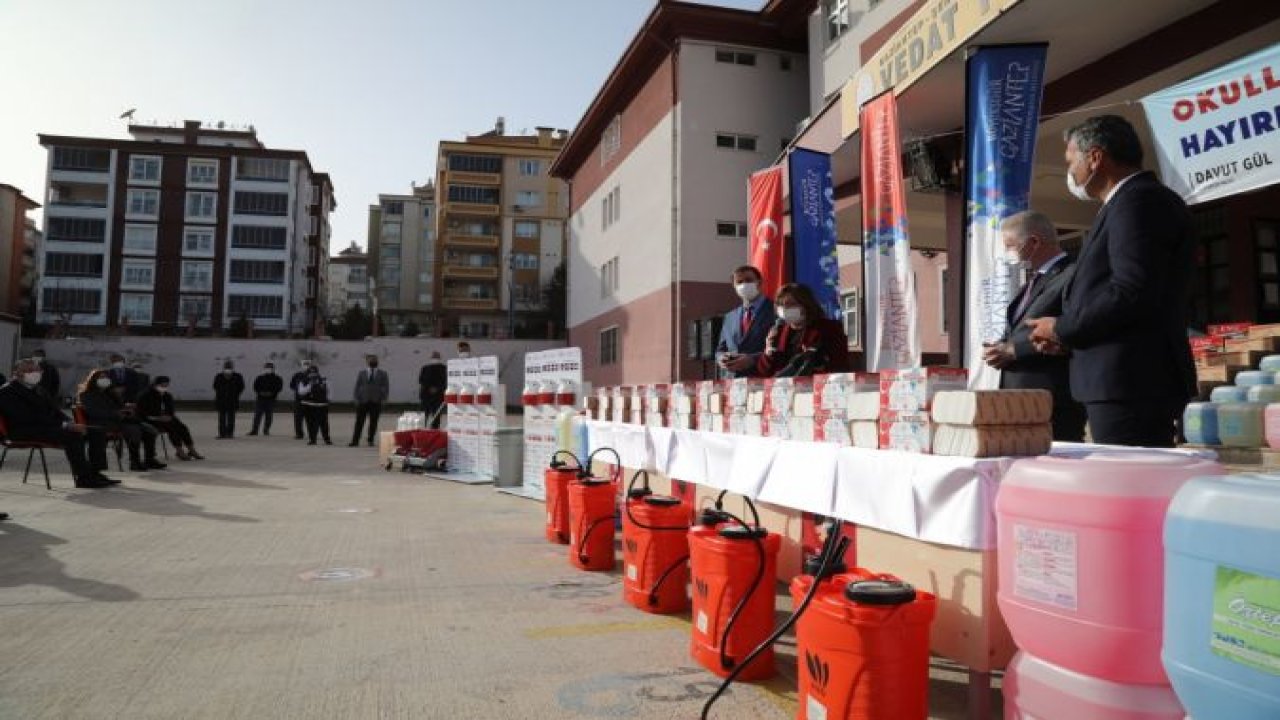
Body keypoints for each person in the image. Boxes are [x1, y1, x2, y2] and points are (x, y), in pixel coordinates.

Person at [1027, 114, 1196, 447]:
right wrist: (1068, 339)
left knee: (1133, 488)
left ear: (1095, 157)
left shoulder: (1139, 201)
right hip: (1121, 378)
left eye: (1070, 161)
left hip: (1131, 380)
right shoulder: (1126, 203)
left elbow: (1132, 292)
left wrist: (1062, 327)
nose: (1070, 173)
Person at [983, 210, 1086, 442]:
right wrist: (1001, 347)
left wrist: (1015, 349)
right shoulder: (1034, 279)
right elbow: (1023, 327)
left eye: (1010, 245)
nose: (1007, 253)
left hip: (1052, 398)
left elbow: (1073, 327)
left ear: (1033, 242)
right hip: (1018, 399)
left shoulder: (1072, 274)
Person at [0, 358, 109, 488]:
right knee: (72, 436)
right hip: (23, 430)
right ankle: (84, 478)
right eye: (29, 370)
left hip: (46, 427)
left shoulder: (40, 390)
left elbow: (57, 412)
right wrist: (65, 426)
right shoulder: (7, 391)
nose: (34, 373)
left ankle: (95, 473)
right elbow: (25, 417)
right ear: (17, 373)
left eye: (37, 370)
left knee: (96, 431)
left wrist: (70, 422)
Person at [754, 283, 851, 377]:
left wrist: (815, 361)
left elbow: (839, 364)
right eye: (781, 305)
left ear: (806, 304)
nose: (785, 309)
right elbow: (765, 372)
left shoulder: (829, 328)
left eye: (790, 304)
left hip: (816, 387)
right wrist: (768, 352)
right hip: (783, 389)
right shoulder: (779, 332)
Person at [78, 368, 164, 472]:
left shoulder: (110, 393)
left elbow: (119, 407)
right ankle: (134, 462)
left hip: (118, 420)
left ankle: (149, 459)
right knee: (134, 429)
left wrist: (126, 409)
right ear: (93, 379)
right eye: (101, 377)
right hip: (101, 423)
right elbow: (94, 412)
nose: (104, 379)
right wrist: (116, 413)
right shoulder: (86, 394)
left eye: (106, 377)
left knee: (148, 430)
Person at [716, 265, 777, 378]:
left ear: (759, 283)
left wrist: (752, 359)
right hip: (733, 382)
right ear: (734, 286)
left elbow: (782, 349)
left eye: (749, 280)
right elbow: (720, 349)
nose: (744, 285)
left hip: (763, 378)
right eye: (739, 282)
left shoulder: (776, 311)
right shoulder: (730, 317)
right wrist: (721, 358)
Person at [136, 376, 204, 461]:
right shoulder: (145, 395)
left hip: (165, 418)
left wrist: (169, 416)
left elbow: (171, 410)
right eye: (162, 386)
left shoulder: (167, 395)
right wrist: (157, 418)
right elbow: (141, 412)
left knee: (182, 427)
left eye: (166, 386)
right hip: (150, 419)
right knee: (172, 428)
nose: (164, 388)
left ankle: (191, 449)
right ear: (155, 385)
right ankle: (179, 451)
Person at [350, 355, 389, 447]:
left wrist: (384, 398)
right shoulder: (362, 373)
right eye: (371, 360)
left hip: (376, 400)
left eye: (375, 360)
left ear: (377, 362)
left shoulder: (383, 373)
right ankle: (355, 441)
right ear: (367, 362)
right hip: (363, 400)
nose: (373, 362)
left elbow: (386, 387)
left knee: (373, 422)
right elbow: (357, 386)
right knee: (359, 422)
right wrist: (356, 398)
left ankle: (370, 439)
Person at [298, 366, 333, 445]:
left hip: (322, 405)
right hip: (309, 405)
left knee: (324, 423)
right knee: (311, 423)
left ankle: (327, 439)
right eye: (311, 372)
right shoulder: (304, 381)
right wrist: (310, 385)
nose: (312, 374)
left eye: (314, 372)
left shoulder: (324, 380)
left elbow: (329, 390)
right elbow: (301, 392)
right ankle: (313, 439)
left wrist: (329, 399)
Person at [212, 361, 246, 439]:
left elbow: (241, 387)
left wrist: (235, 393)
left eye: (229, 367)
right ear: (224, 367)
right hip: (221, 401)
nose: (228, 368)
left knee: (231, 418)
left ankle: (230, 433)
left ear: (232, 367)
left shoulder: (237, 376)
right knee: (221, 419)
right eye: (226, 367)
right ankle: (222, 434)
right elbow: (215, 386)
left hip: (232, 400)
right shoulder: (219, 376)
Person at [249, 362, 283, 436]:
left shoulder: (277, 378)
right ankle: (254, 430)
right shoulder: (260, 378)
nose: (268, 369)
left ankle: (266, 430)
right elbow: (255, 386)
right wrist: (260, 392)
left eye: (270, 368)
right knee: (257, 415)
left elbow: (279, 387)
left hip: (271, 399)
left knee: (269, 415)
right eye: (267, 368)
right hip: (260, 399)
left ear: (273, 369)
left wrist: (272, 393)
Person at [419, 351, 447, 428]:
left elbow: (445, 381)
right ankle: (423, 428)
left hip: (438, 396)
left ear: (440, 358)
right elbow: (421, 380)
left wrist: (437, 388)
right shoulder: (425, 368)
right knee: (424, 414)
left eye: (437, 357)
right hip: (426, 395)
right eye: (434, 357)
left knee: (436, 415)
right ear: (430, 358)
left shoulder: (444, 368)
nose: (435, 358)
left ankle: (434, 429)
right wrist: (429, 388)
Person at [289, 360, 313, 439]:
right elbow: (292, 385)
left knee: (310, 418)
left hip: (309, 400)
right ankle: (299, 434)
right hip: (298, 400)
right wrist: (298, 390)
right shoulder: (297, 375)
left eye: (307, 364)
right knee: (298, 418)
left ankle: (312, 433)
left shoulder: (312, 375)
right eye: (304, 364)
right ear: (301, 365)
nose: (306, 366)